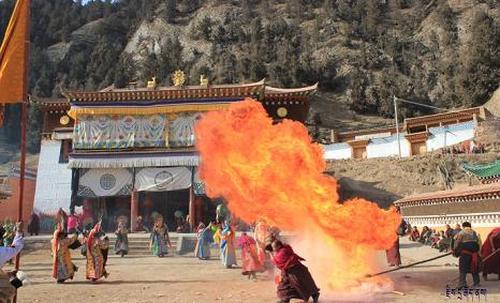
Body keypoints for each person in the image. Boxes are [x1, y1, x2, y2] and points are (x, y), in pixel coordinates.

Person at [453, 222, 482, 288]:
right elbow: (478, 242)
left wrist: (455, 250)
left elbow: (457, 242)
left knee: (463, 268)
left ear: (463, 226)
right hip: (474, 253)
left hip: (465, 253)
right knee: (474, 267)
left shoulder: (462, 232)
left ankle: (462, 283)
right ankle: (476, 282)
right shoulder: (474, 232)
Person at [0, 222, 24, 303]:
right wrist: (19, 232)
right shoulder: (1, 251)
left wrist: (7, 274)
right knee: (9, 287)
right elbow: (16, 247)